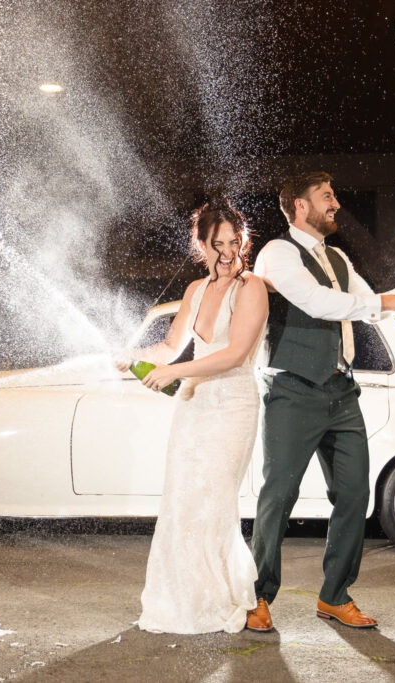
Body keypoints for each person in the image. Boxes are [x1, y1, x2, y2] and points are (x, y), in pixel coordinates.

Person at [247, 171, 395, 631]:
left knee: (354, 496)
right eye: (326, 196)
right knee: (277, 497)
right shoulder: (277, 253)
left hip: (341, 393)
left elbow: (382, 311)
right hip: (293, 390)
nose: (336, 203)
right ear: (299, 207)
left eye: (334, 194)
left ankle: (334, 596)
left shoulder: (340, 258)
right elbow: (319, 303)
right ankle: (258, 596)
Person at [117, 198, 269, 634]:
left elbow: (236, 354)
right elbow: (168, 348)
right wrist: (135, 357)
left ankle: (221, 596)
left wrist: (173, 373)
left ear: (242, 243)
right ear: (200, 245)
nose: (227, 253)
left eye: (234, 243)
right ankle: (181, 598)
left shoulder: (252, 288)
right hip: (193, 407)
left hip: (233, 406)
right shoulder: (194, 291)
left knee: (215, 503)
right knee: (182, 501)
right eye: (217, 244)